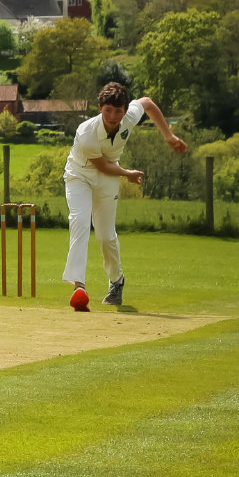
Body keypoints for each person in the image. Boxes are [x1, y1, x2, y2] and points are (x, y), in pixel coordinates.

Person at [62, 79, 187, 310]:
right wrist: (126, 173)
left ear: (125, 111)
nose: (112, 116)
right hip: (79, 174)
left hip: (109, 175)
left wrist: (168, 135)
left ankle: (116, 281)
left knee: (105, 236)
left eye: (118, 111)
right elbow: (100, 165)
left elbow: (148, 103)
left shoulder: (130, 116)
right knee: (79, 222)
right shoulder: (86, 131)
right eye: (107, 110)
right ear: (100, 108)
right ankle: (79, 287)